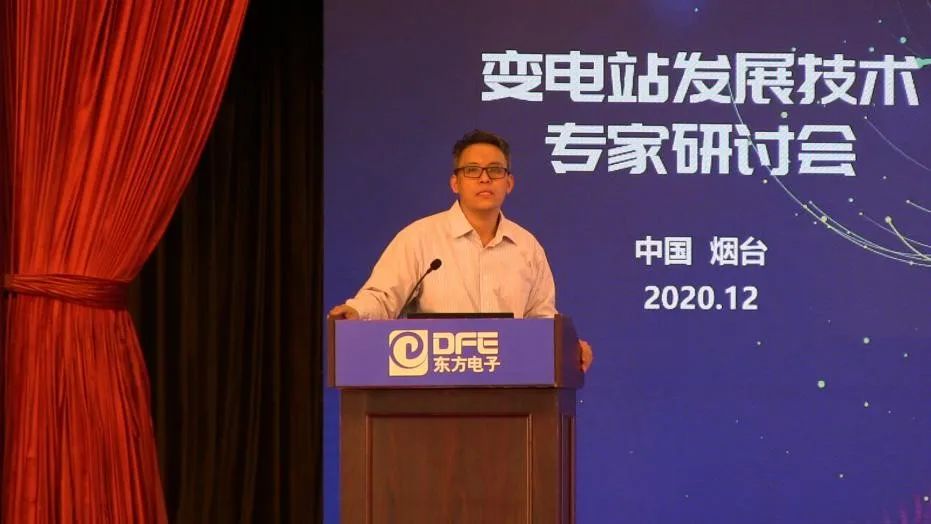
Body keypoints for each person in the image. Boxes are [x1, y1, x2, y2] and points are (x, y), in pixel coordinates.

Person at [329, 129, 593, 372]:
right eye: (472, 170)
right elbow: (383, 296)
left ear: (509, 183)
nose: (485, 178)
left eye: (495, 170)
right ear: (455, 183)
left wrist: (567, 349)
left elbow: (542, 320)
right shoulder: (419, 238)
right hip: (435, 384)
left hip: (511, 387)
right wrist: (357, 311)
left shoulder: (527, 247)